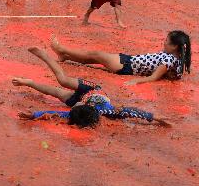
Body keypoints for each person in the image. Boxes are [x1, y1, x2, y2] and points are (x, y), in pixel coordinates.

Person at [11, 47, 165, 128]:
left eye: (74, 107)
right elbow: (133, 112)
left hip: (86, 100)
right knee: (62, 80)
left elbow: (54, 113)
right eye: (77, 105)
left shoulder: (75, 113)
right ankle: (45, 56)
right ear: (84, 106)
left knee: (57, 93)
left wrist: (33, 115)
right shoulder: (108, 111)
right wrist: (155, 117)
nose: (74, 105)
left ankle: (29, 82)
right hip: (92, 90)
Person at [50, 30, 191, 85]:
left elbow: (155, 76)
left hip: (126, 65)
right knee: (94, 59)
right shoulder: (177, 59)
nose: (164, 42)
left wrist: (135, 82)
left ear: (174, 47)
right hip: (128, 61)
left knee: (94, 54)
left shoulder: (168, 60)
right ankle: (65, 56)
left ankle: (61, 49)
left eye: (166, 41)